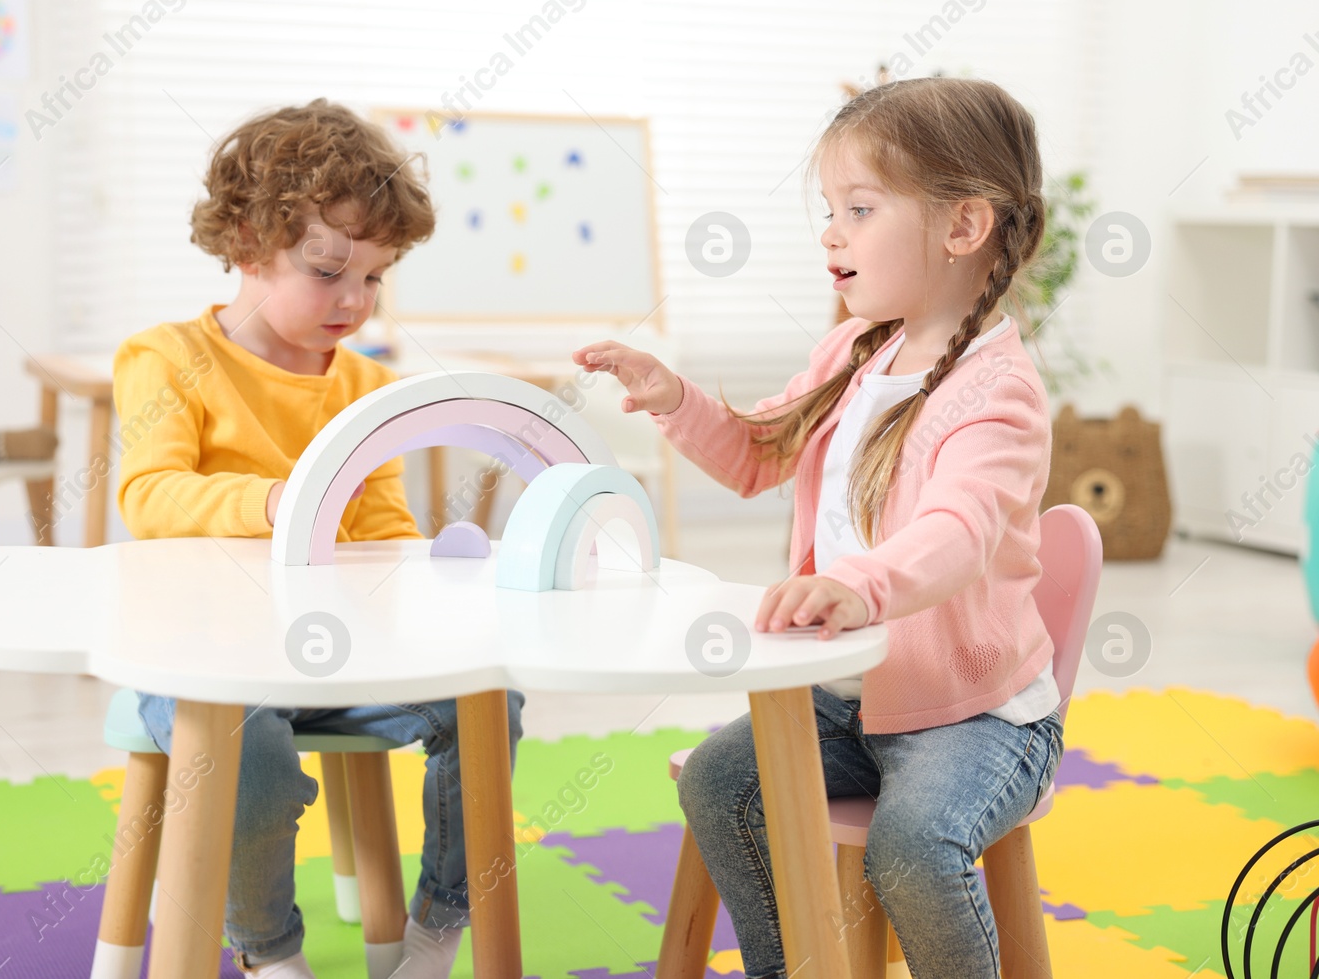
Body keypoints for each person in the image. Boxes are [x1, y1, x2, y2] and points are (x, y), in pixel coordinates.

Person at [571, 76, 1066, 978]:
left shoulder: (1000, 394)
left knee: (912, 846)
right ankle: (796, 966)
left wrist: (857, 583)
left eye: (860, 208)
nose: (831, 232)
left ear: (962, 229)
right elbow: (762, 452)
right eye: (830, 209)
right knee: (724, 784)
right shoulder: (852, 347)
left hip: (975, 715)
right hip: (849, 698)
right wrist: (673, 398)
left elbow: (958, 530)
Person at [113, 98, 525, 978]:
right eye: (328, 268)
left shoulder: (368, 385)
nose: (355, 299)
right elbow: (148, 495)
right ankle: (268, 950)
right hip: (207, 658)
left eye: (374, 277)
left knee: (489, 700)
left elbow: (384, 531)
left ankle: (434, 930)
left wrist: (437, 576)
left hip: (339, 659)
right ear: (245, 246)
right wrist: (279, 502)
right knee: (247, 752)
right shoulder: (167, 358)